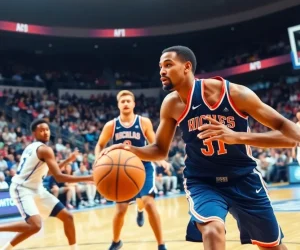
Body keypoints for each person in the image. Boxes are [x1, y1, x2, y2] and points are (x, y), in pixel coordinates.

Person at [102, 46, 300, 250]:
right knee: (212, 230)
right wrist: (131, 150)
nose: (162, 71)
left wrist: (237, 137)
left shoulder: (235, 93)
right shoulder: (171, 104)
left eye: (168, 65)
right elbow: (160, 150)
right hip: (202, 181)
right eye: (160, 66)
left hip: (244, 177)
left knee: (272, 247)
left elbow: (289, 134)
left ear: (187, 67)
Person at [0, 119, 93, 250]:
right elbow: (59, 178)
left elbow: (46, 173)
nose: (45, 132)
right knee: (35, 226)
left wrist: (67, 160)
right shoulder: (45, 150)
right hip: (21, 189)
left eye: (47, 129)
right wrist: (89, 177)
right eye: (41, 130)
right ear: (34, 133)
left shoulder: (31, 147)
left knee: (68, 217)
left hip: (37, 188)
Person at [94, 90, 167, 250]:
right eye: (123, 101)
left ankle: (161, 244)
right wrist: (98, 159)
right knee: (120, 209)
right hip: (121, 170)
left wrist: (161, 160)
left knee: (148, 203)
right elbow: (100, 144)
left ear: (134, 104)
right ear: (118, 105)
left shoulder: (143, 122)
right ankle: (116, 241)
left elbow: (155, 145)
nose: (126, 103)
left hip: (144, 166)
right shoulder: (111, 125)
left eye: (128, 101)